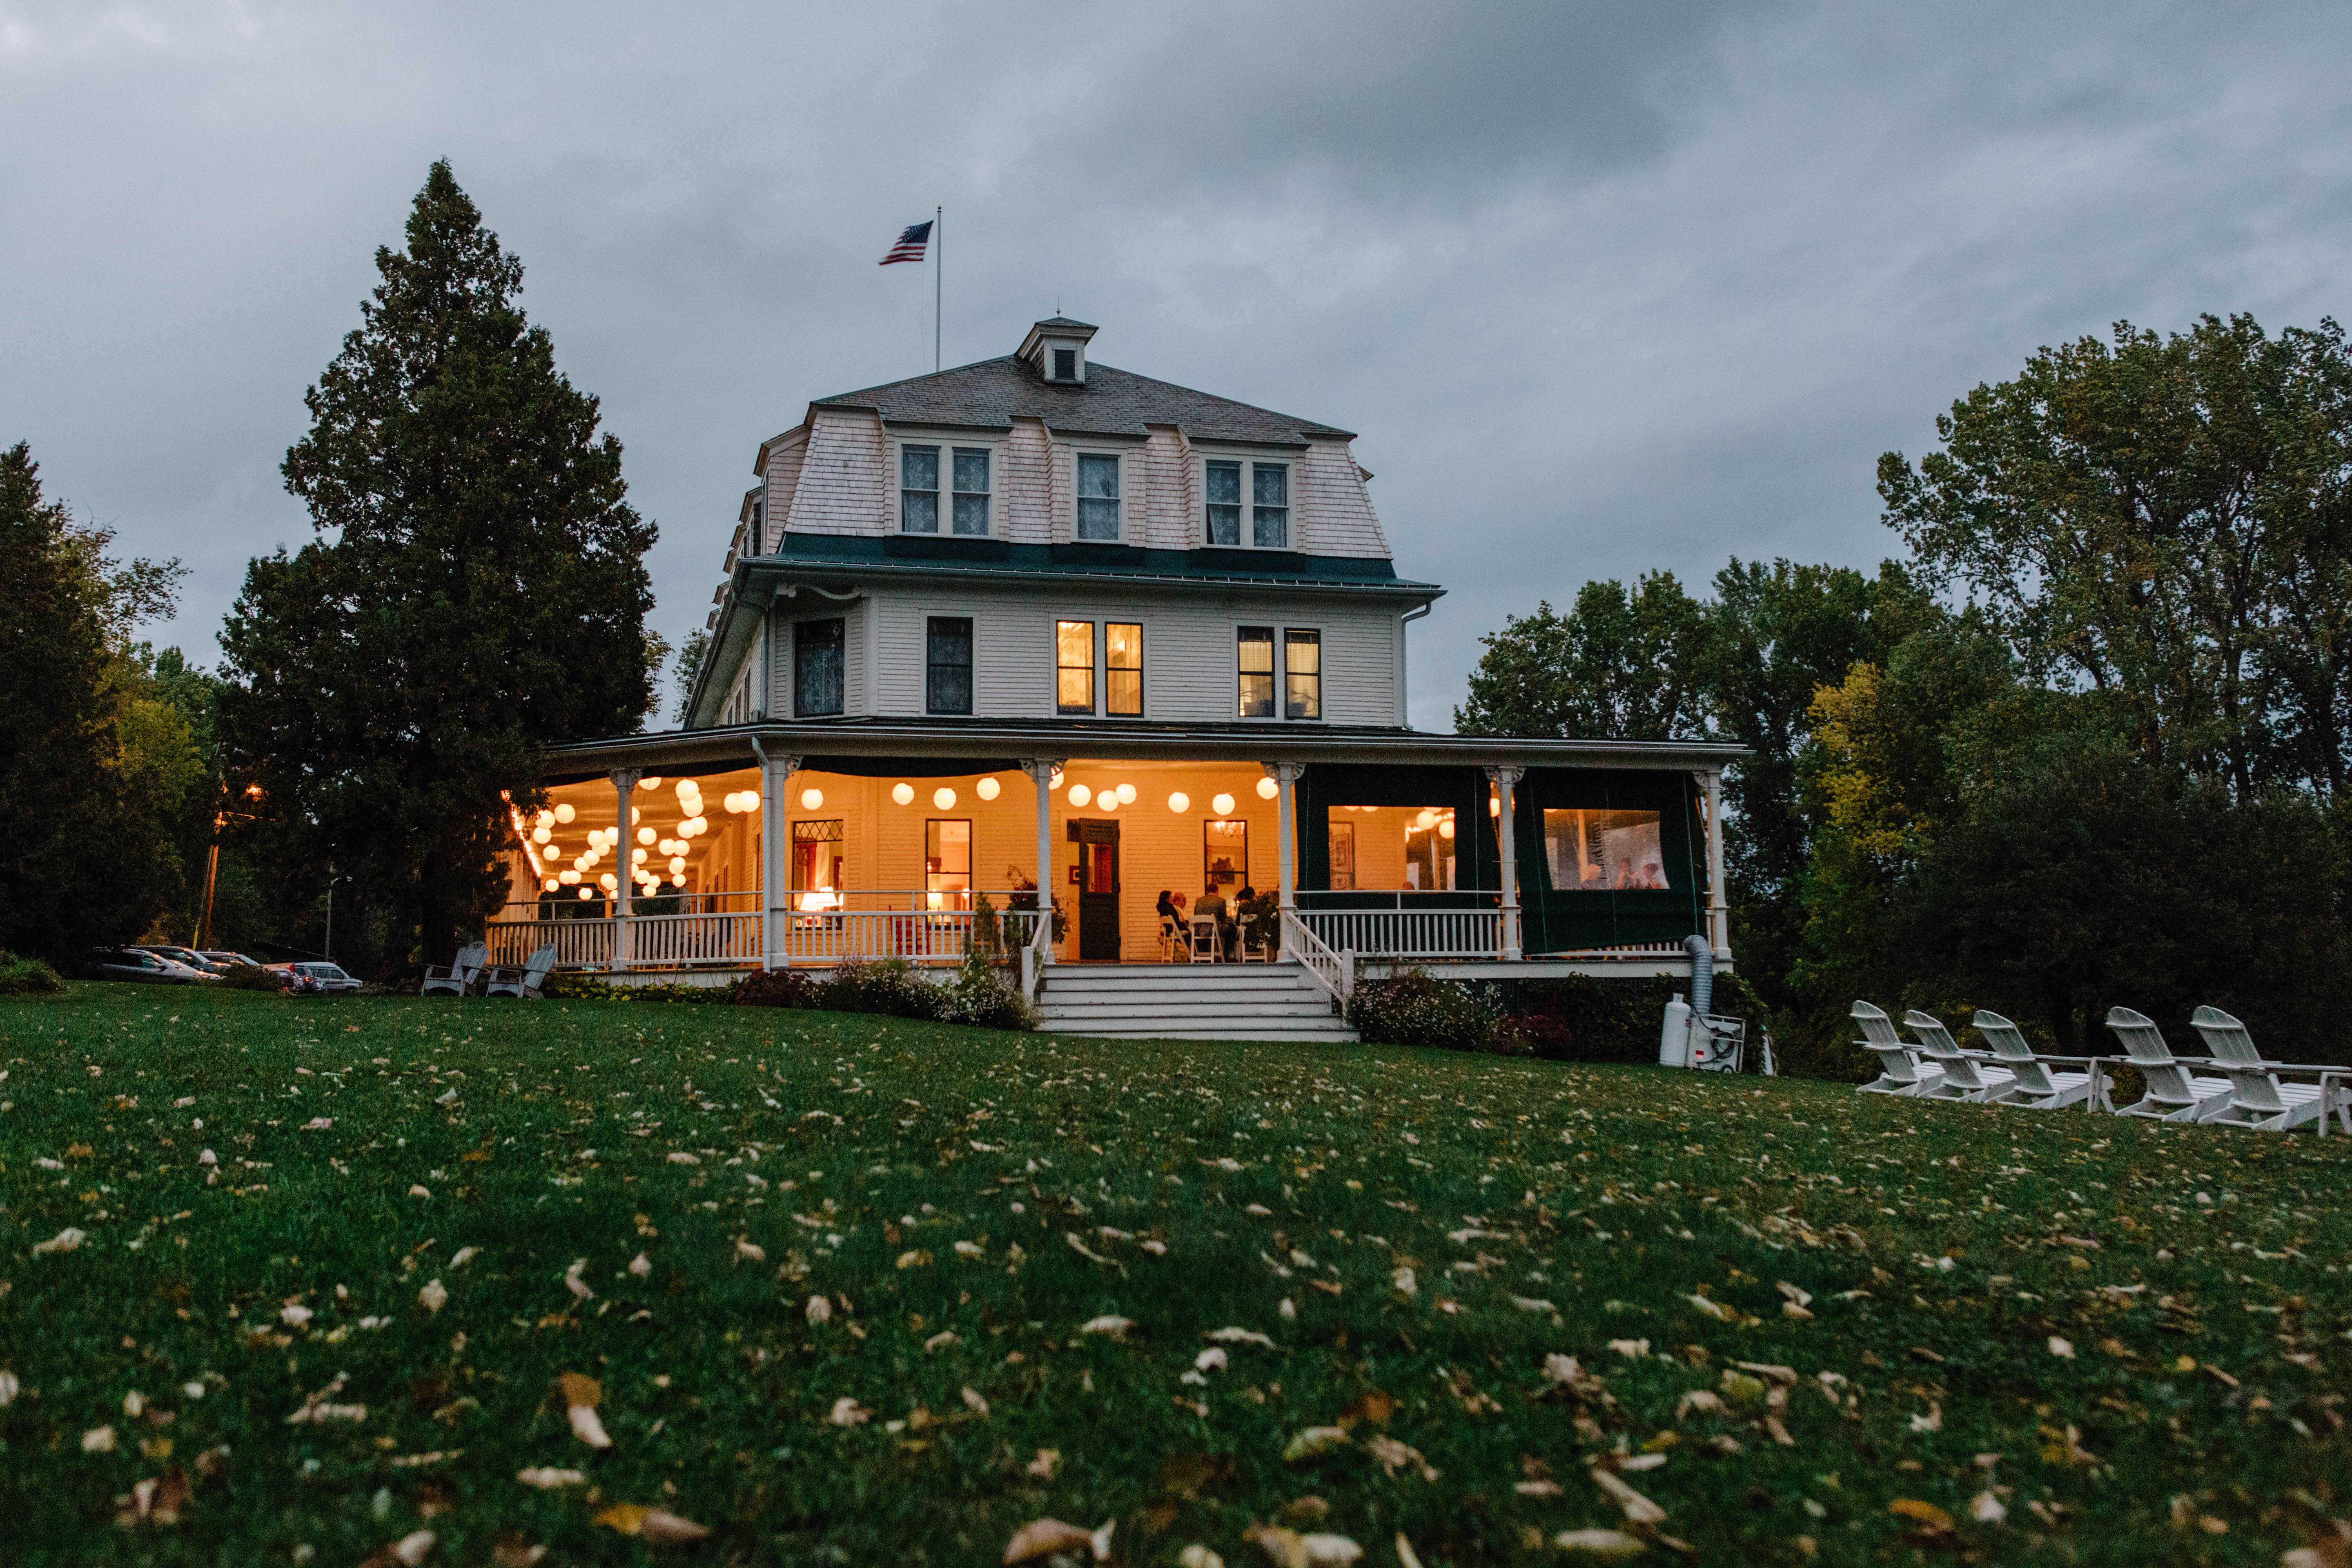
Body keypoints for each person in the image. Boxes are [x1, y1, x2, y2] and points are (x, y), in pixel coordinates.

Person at [1195, 882, 1236, 959]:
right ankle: (1226, 954)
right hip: (1213, 930)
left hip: (1199, 930)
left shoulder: (1199, 901)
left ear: (1207, 891)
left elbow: (1196, 915)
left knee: (1208, 927)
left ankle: (1202, 954)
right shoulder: (1221, 901)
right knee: (1232, 928)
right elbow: (1224, 919)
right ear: (1217, 891)